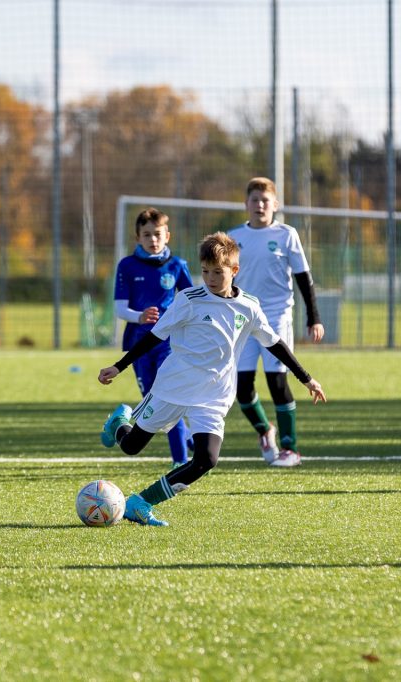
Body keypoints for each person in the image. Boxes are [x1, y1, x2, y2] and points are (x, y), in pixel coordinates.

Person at [98, 232, 326, 526]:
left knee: (206, 459)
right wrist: (119, 366)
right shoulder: (188, 299)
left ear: (234, 270)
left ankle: (140, 502)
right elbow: (155, 337)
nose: (210, 278)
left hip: (214, 396)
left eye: (218, 272)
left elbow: (275, 343)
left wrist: (306, 379)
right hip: (173, 386)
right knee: (131, 446)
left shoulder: (249, 307)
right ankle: (119, 423)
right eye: (205, 271)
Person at [228, 177, 324, 468]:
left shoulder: (286, 235)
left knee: (278, 382)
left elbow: (303, 278)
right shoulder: (232, 238)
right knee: (241, 387)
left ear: (275, 205)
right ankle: (264, 430)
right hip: (242, 318)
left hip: (277, 317)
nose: (259, 205)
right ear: (246, 204)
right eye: (254, 200)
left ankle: (290, 448)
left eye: (265, 201)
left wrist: (313, 316)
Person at [112, 208, 195, 466]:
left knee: (168, 399)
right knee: (152, 402)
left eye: (157, 234)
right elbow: (119, 307)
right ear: (138, 237)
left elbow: (192, 301)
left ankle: (179, 462)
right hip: (139, 344)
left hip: (170, 345)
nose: (153, 239)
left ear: (167, 235)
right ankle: (119, 423)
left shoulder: (177, 266)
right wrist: (139, 316)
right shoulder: (127, 265)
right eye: (146, 235)